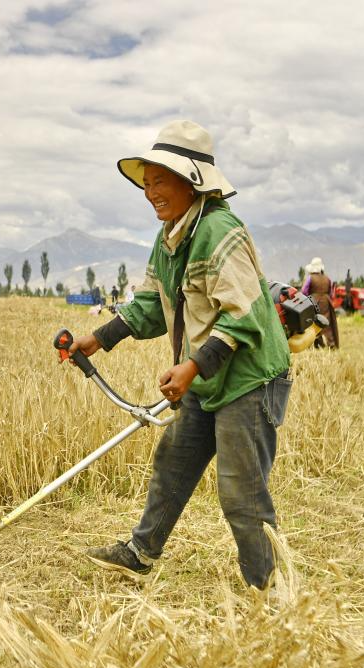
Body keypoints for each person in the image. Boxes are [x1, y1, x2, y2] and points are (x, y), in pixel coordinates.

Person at [66, 120, 292, 590]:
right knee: (173, 462)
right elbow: (152, 302)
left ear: (192, 181)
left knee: (240, 491)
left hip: (248, 380)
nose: (151, 193)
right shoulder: (171, 235)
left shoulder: (219, 231)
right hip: (207, 377)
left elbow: (244, 315)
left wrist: (191, 365)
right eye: (146, 183)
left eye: (159, 181)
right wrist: (101, 337)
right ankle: (140, 552)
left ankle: (267, 586)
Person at [301, 257, 338, 348]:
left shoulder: (310, 278)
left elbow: (304, 291)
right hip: (326, 302)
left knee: (315, 323)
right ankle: (331, 344)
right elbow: (331, 293)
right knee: (327, 324)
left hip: (313, 302)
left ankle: (317, 343)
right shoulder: (327, 278)